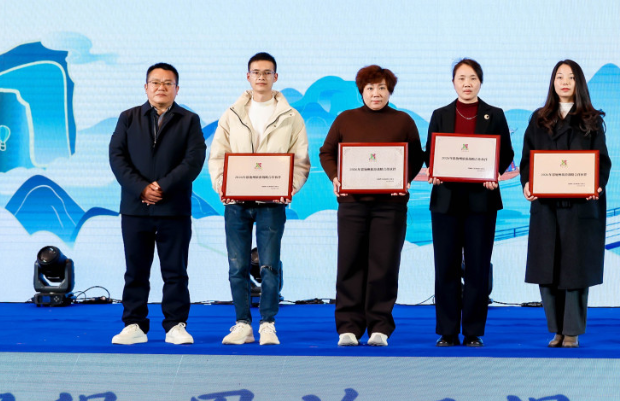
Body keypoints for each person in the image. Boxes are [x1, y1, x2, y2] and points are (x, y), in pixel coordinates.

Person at [206, 52, 310, 347]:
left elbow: (301, 160)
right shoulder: (232, 114)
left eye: (267, 72)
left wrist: (287, 188)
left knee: (269, 266)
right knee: (237, 266)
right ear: (248, 76)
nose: (261, 77)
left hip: (272, 204)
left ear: (276, 77)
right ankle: (242, 324)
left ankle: (267, 324)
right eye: (256, 72)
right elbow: (218, 155)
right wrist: (222, 186)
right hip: (236, 203)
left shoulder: (291, 117)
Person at [318, 65, 425, 348]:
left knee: (384, 266)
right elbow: (326, 152)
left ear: (390, 91)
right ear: (361, 91)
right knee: (350, 263)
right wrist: (335, 177)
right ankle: (348, 327)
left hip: (390, 206)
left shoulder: (403, 121)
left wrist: (405, 178)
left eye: (381, 88)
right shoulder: (345, 119)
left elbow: (416, 156)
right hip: (352, 205)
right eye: (369, 88)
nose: (375, 94)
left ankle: (380, 326)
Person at [108, 63, 206, 346]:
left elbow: (193, 160)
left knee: (175, 272)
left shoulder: (189, 120)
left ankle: (175, 325)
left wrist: (162, 186)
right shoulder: (128, 118)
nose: (161, 87)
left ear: (177, 88)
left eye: (167, 83)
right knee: (135, 271)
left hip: (173, 208)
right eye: (155, 82)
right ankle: (134, 325)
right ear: (146, 87)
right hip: (135, 208)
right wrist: (141, 188)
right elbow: (117, 157)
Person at [521, 60, 612, 348]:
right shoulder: (538, 119)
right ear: (553, 82)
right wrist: (527, 183)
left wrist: (597, 184)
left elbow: (602, 160)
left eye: (570, 77)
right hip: (546, 206)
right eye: (559, 76)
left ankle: (571, 330)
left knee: (575, 269)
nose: (564, 82)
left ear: (578, 83)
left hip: (580, 207)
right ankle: (556, 330)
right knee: (546, 268)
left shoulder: (591, 119)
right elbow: (527, 159)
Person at [425, 58, 515, 348]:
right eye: (461, 78)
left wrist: (494, 174)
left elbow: (506, 152)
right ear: (453, 83)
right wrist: (434, 170)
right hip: (446, 202)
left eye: (473, 78)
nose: (467, 84)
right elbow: (430, 153)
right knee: (446, 268)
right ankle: (448, 331)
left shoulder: (495, 114)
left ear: (480, 82)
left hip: (481, 201)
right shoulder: (440, 114)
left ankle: (474, 331)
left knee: (477, 268)